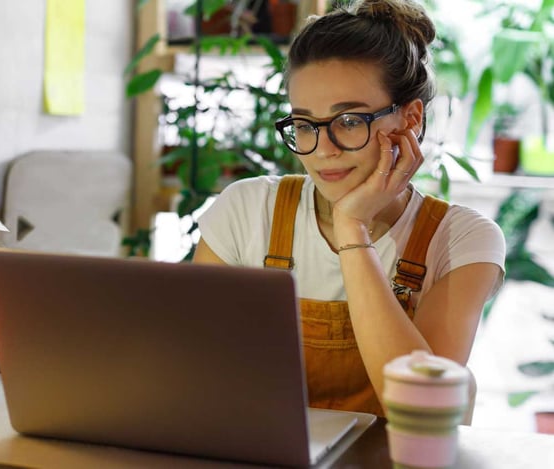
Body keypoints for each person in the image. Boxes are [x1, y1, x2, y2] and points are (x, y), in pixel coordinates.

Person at [192, 0, 506, 417]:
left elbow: (424, 408)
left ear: (409, 119)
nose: (322, 150)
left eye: (350, 121)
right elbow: (192, 369)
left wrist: (352, 228)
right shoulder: (247, 209)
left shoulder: (462, 240)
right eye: (305, 125)